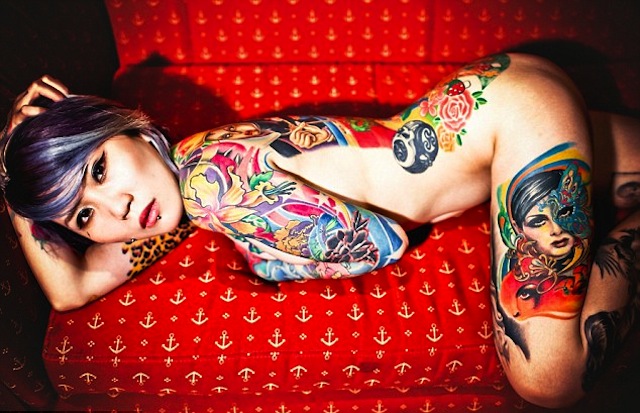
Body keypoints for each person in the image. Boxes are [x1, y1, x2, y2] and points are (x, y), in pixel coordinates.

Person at [1, 53, 639, 408]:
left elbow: (379, 242)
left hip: (511, 119)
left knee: (547, 377)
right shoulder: (180, 186)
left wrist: (270, 261)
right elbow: (72, 287)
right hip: (500, 111)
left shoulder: (211, 185)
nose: (115, 208)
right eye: (83, 215)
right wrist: (12, 184)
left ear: (135, 130)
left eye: (99, 169)